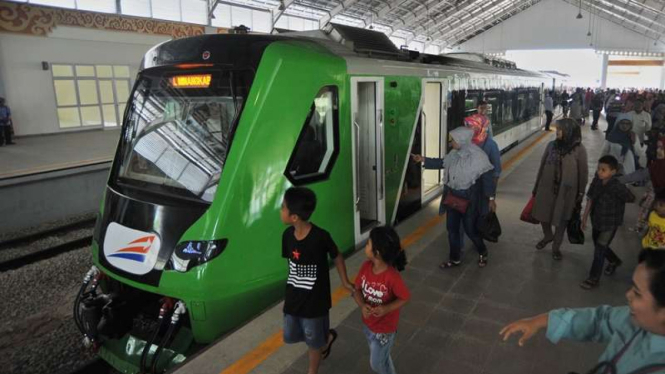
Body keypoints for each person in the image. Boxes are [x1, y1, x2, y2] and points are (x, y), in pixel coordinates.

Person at [499, 249, 665, 374]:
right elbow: (599, 320)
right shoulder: (633, 319)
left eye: (637, 293)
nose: (628, 295)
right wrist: (540, 321)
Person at [280, 187, 354, 374]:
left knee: (313, 342)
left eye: (283, 208)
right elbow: (291, 264)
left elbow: (337, 256)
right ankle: (326, 337)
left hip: (315, 303)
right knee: (291, 334)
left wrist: (345, 281)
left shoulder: (320, 237)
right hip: (294, 300)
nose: (281, 211)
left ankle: (313, 370)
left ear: (294, 217)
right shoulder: (287, 236)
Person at [412, 127, 494, 268]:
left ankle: (483, 251)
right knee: (452, 230)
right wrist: (423, 159)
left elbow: (487, 178)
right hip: (453, 198)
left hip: (469, 199)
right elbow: (442, 162)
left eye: (453, 140)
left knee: (470, 229)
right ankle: (454, 258)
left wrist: (491, 198)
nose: (451, 143)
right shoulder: (454, 154)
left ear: (462, 140)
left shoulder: (478, 157)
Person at [353, 226, 410, 374]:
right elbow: (357, 289)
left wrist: (386, 309)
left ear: (376, 253)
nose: (365, 246)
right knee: (382, 359)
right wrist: (362, 305)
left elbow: (404, 297)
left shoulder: (392, 277)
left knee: (376, 364)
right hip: (368, 325)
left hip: (385, 331)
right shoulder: (366, 267)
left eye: (368, 244)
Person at [532, 118, 589, 260]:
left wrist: (581, 192)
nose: (557, 132)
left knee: (561, 219)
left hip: (566, 192)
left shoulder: (579, 149)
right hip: (546, 188)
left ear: (569, 131)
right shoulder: (551, 146)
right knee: (542, 214)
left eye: (560, 129)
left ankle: (556, 248)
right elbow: (542, 165)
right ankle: (548, 235)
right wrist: (536, 186)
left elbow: (583, 173)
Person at [580, 155, 635, 289]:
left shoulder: (617, 186)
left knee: (599, 249)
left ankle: (593, 278)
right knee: (599, 245)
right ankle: (614, 261)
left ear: (613, 172)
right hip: (597, 220)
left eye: (603, 170)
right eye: (599, 169)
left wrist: (623, 194)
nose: (599, 172)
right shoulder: (597, 181)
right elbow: (591, 198)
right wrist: (585, 216)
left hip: (610, 223)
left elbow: (631, 198)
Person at [465, 101, 500, 216]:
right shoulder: (467, 144)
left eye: (473, 126)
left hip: (483, 191)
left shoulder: (490, 145)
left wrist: (491, 197)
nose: (470, 129)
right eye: (469, 126)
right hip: (469, 190)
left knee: (481, 216)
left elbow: (495, 173)